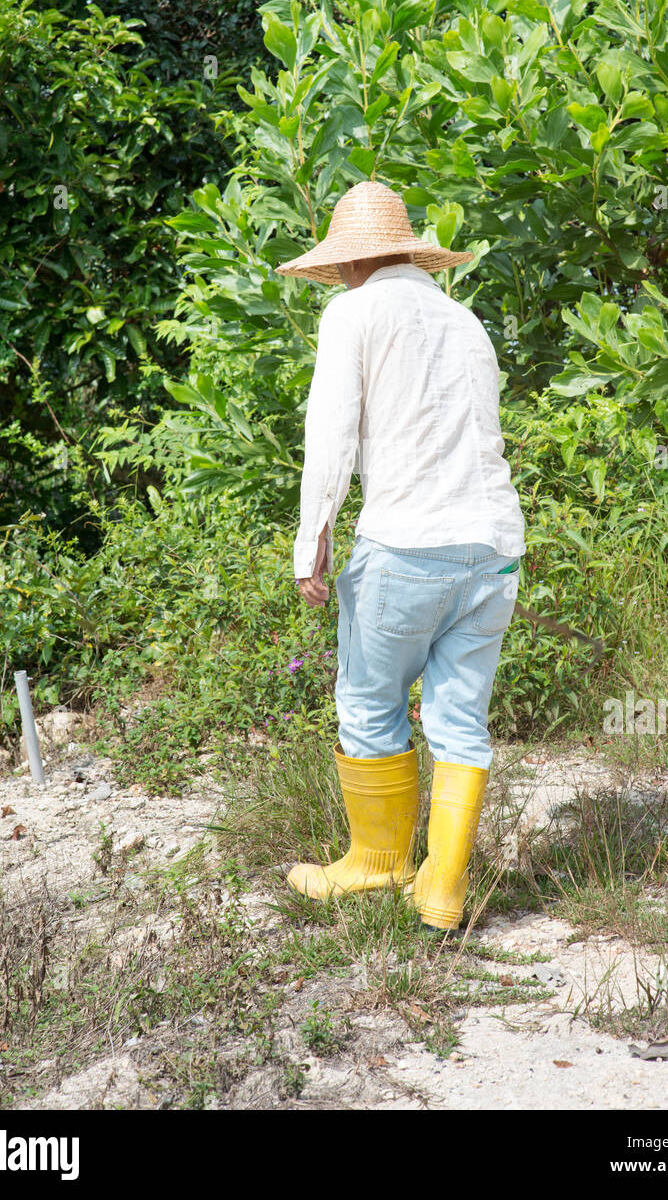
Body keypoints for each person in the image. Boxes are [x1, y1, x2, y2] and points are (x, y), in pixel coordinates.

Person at [275, 180, 525, 932]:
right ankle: (443, 892)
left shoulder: (352, 311)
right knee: (459, 718)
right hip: (493, 548)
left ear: (348, 262)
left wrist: (310, 539)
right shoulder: (463, 318)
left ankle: (378, 864)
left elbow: (331, 437)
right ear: (409, 251)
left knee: (368, 703)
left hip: (405, 542)